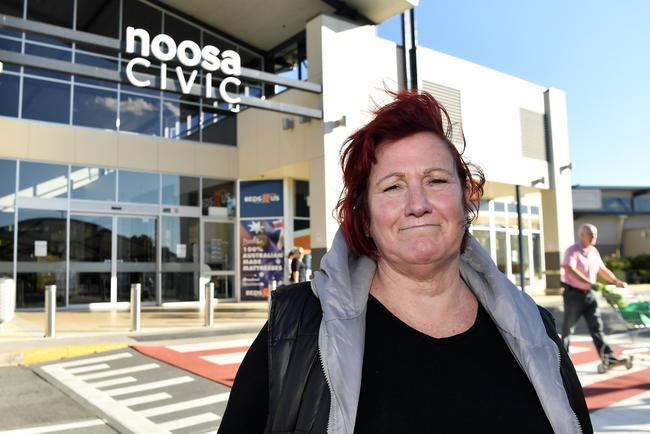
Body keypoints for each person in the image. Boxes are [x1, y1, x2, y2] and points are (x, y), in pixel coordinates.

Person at [218, 91, 591, 434]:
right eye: (393, 186)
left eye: (436, 181)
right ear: (364, 217)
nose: (417, 204)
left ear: (466, 201)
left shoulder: (535, 329)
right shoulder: (294, 329)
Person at [561, 223, 627, 362]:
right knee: (568, 330)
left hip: (590, 296)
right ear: (581, 235)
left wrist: (616, 281)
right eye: (590, 234)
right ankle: (563, 361)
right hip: (574, 295)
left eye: (595, 234)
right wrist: (589, 282)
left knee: (597, 327)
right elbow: (569, 269)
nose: (594, 237)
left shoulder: (594, 252)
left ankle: (608, 358)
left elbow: (602, 270)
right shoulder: (573, 251)